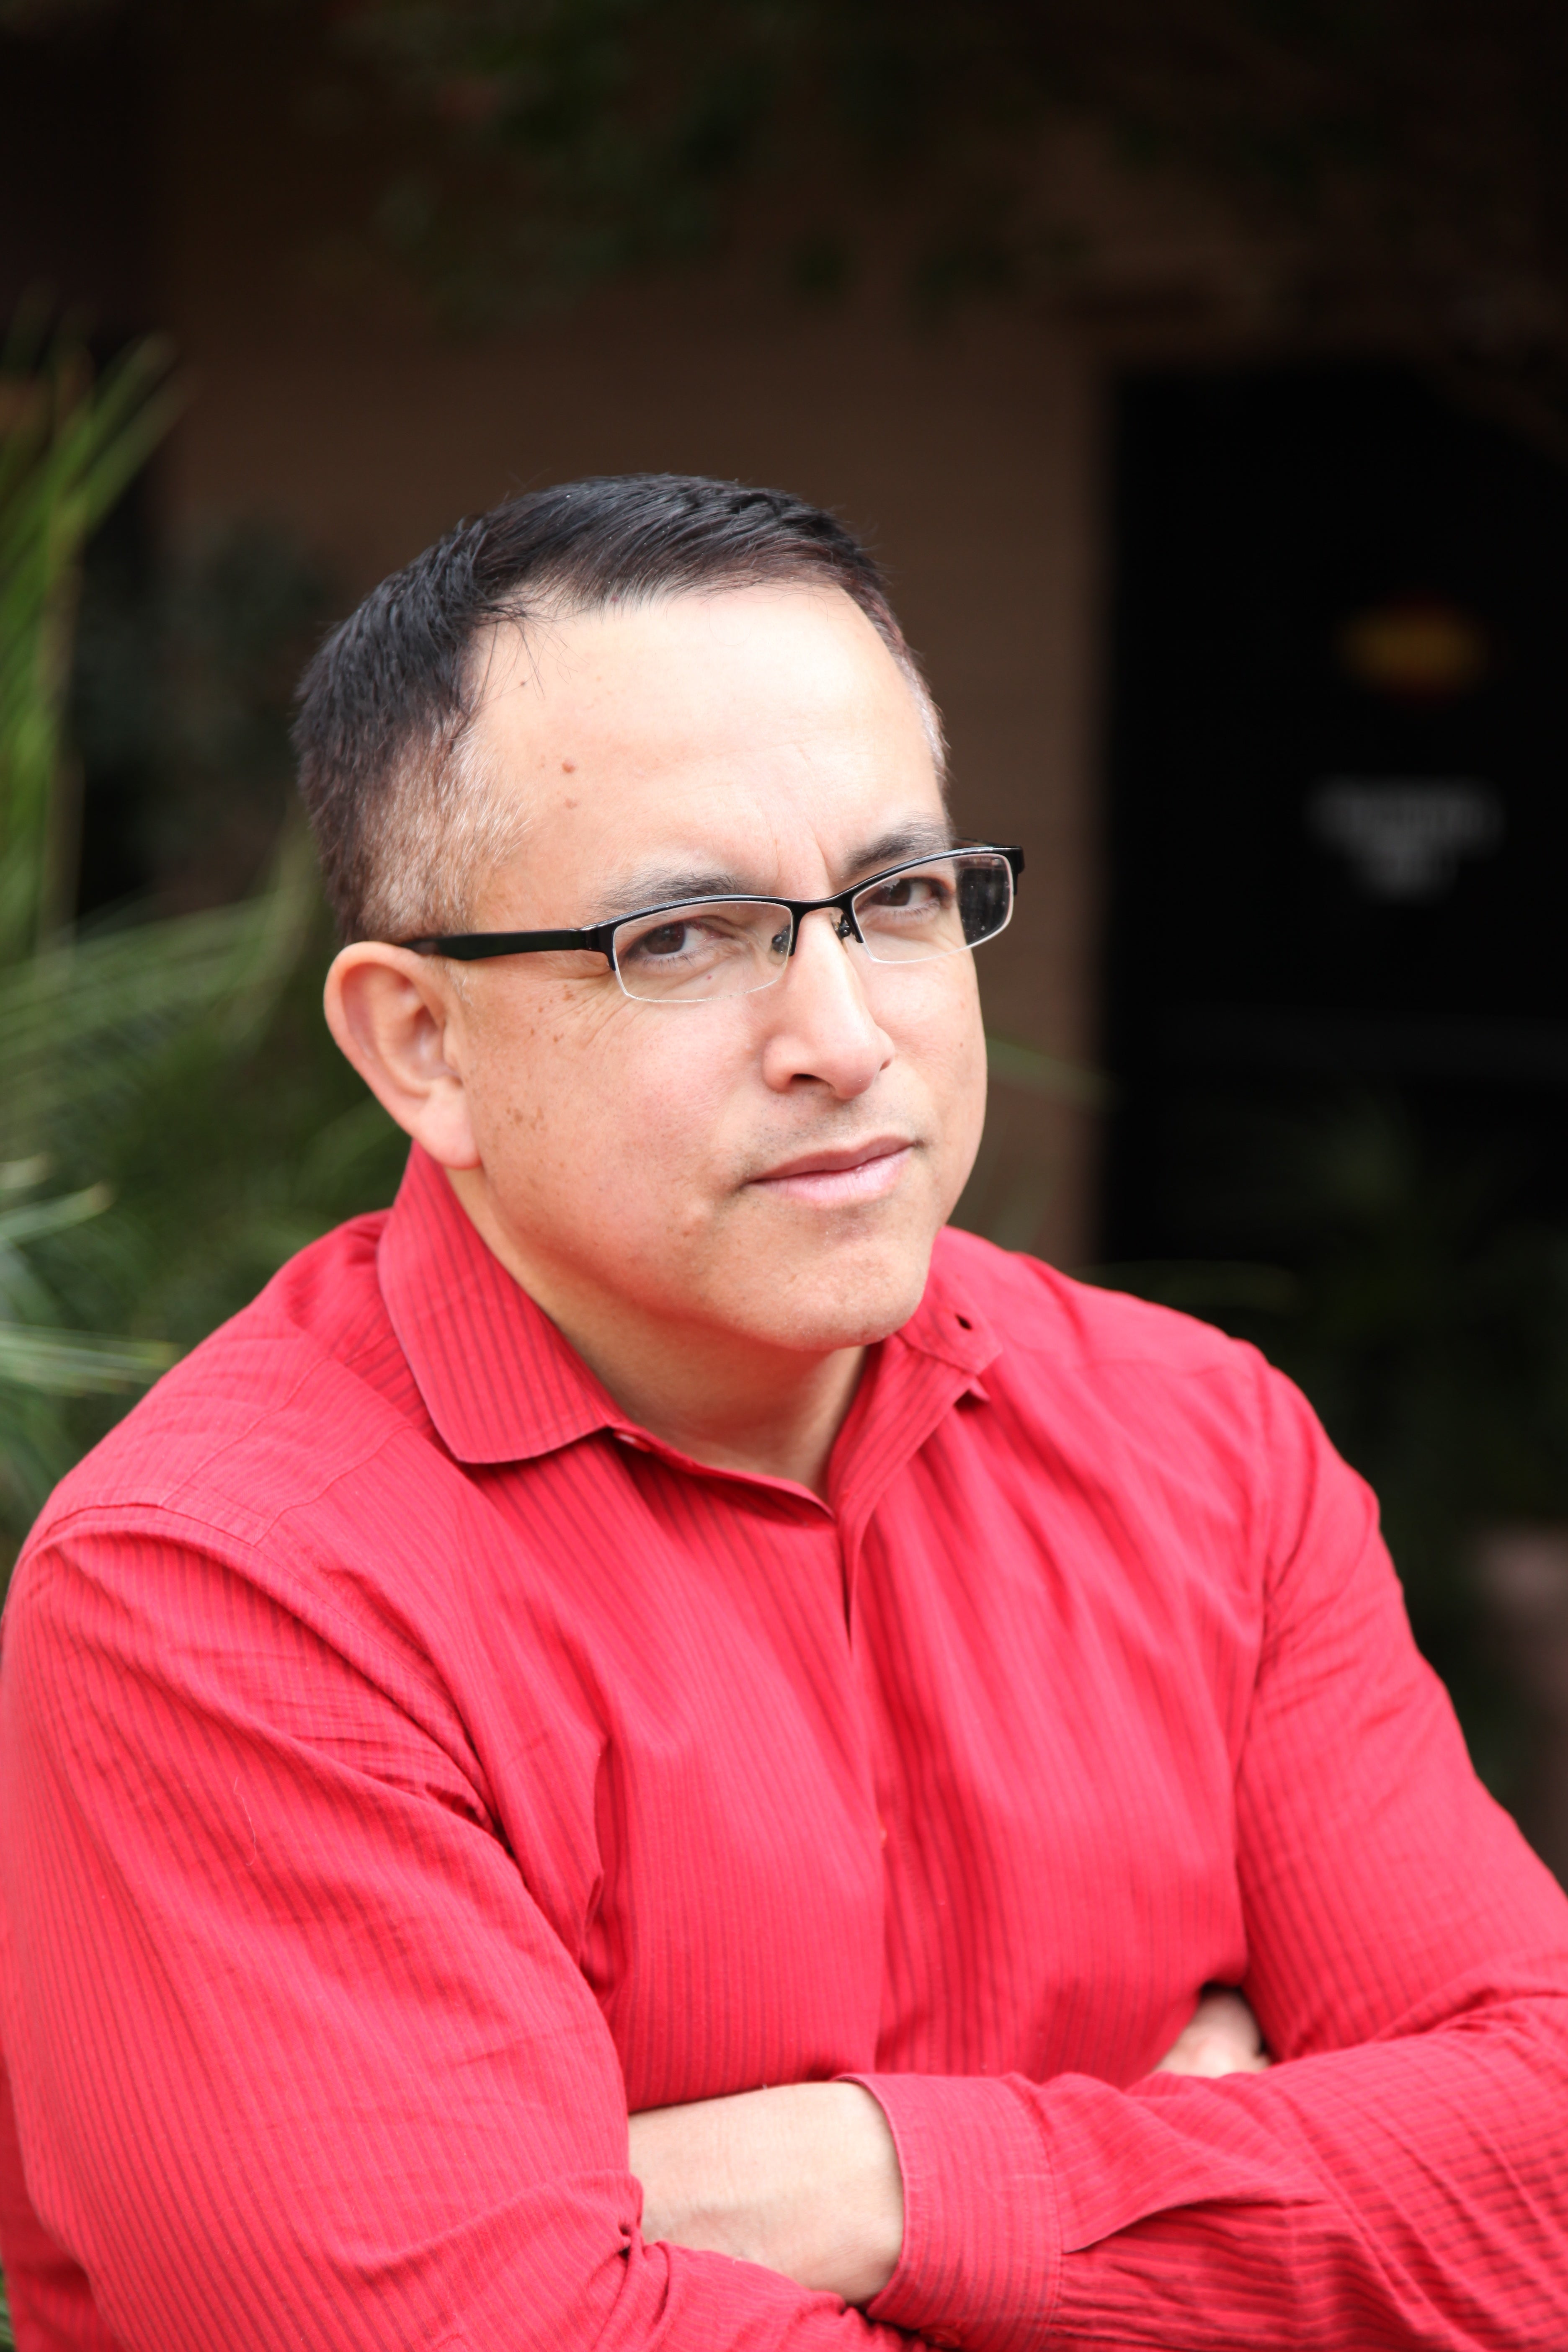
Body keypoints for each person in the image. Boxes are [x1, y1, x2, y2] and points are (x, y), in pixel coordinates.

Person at [1, 474, 1565, 2352]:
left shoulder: (1201, 1449)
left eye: (897, 898)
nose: (847, 1031)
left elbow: (1541, 2194)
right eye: (686, 938)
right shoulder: (221, 1594)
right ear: (423, 1044)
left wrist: (865, 2183)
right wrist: (1217, 2183)